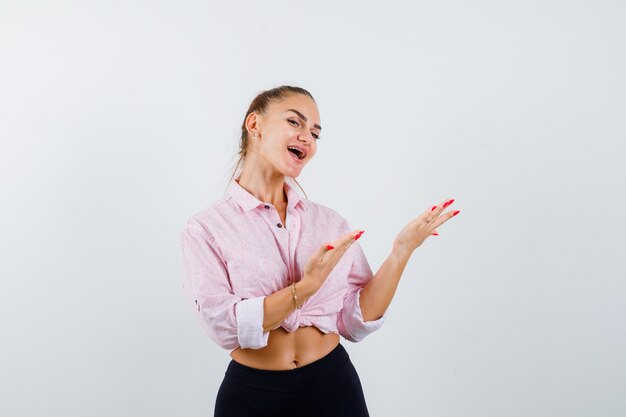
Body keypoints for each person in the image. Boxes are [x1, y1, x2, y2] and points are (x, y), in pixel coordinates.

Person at [180, 85, 461, 417]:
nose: (307, 138)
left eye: (315, 132)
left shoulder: (329, 223)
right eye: (295, 123)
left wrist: (402, 251)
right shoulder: (206, 229)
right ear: (254, 125)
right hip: (253, 397)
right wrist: (305, 288)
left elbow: (355, 320)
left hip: (333, 387)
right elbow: (223, 326)